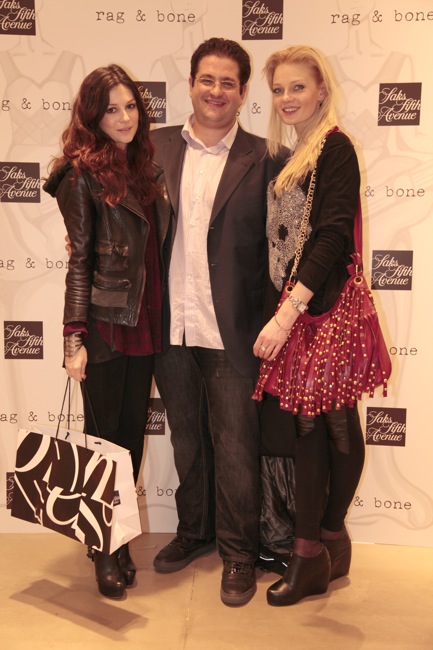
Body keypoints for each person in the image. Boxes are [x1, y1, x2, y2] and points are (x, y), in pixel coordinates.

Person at [150, 37, 287, 606]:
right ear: (190, 84)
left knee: (235, 445)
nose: (215, 90)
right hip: (169, 325)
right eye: (207, 79)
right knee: (187, 439)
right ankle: (195, 531)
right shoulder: (151, 147)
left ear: (243, 91)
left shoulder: (268, 156)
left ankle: (238, 553)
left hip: (234, 329)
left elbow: (285, 248)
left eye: (228, 82)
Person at [43, 64, 169, 600]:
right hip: (104, 325)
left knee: (129, 439)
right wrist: (73, 338)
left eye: (130, 106)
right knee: (103, 443)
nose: (123, 117)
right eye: (111, 109)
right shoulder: (80, 175)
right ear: (92, 115)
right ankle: (102, 548)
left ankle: (115, 536)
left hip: (143, 321)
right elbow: (80, 261)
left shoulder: (143, 168)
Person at [253, 45, 365, 606]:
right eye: (278, 89)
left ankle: (321, 545)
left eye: (298, 87)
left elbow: (333, 235)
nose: (287, 98)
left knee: (334, 426)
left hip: (322, 310)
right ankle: (318, 550)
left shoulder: (335, 147)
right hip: (300, 311)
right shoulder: (293, 153)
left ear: (322, 90)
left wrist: (287, 312)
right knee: (311, 428)